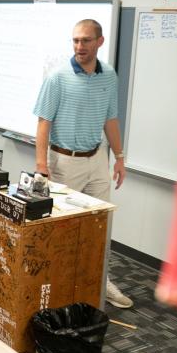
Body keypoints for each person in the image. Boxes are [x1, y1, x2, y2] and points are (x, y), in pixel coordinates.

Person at [33, 18, 132, 309]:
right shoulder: (58, 77)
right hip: (65, 162)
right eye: (75, 40)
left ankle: (100, 281)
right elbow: (43, 122)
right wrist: (41, 165)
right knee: (60, 228)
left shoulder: (109, 76)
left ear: (99, 42)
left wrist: (120, 157)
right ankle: (55, 284)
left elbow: (110, 119)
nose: (79, 46)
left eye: (86, 40)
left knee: (100, 225)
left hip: (98, 160)